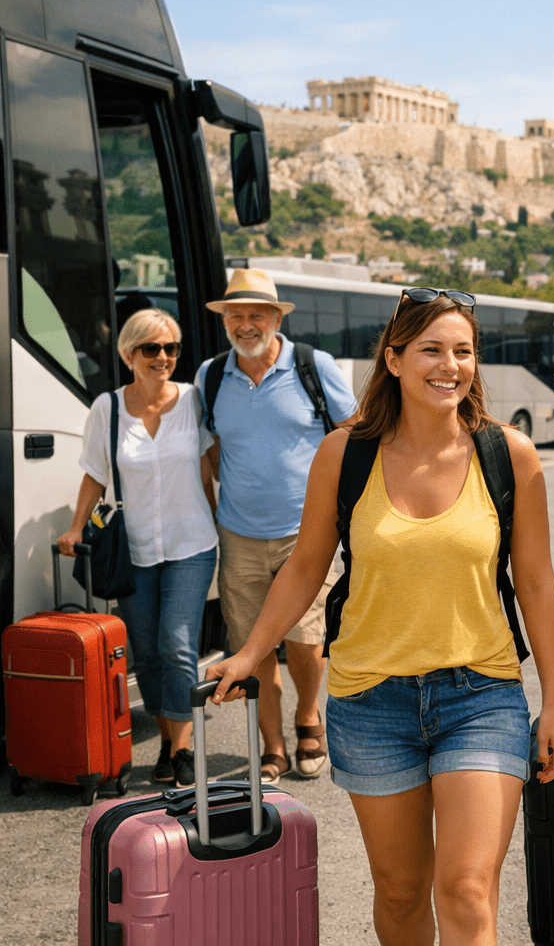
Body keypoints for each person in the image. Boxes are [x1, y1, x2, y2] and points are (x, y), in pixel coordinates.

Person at [208, 287, 554, 945]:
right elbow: (304, 568)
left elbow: (538, 583)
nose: (449, 365)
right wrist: (249, 650)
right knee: (401, 895)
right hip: (371, 701)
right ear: (395, 359)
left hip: (481, 697)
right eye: (431, 349)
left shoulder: (507, 453)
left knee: (465, 890)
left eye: (463, 351)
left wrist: (552, 701)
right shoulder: (345, 454)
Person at [197, 269, 358, 783]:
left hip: (305, 532)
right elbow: (212, 448)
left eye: (256, 315)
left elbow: (355, 431)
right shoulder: (211, 375)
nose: (246, 325)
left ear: (275, 319)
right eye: (236, 315)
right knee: (251, 647)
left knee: (307, 641)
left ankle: (308, 717)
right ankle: (272, 746)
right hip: (239, 535)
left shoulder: (315, 366)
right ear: (225, 321)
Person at [58, 309, 218, 789]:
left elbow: (213, 461)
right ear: (129, 354)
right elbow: (94, 472)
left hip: (193, 541)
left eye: (171, 348)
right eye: (152, 349)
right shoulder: (107, 408)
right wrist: (74, 527)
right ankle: (168, 739)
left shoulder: (193, 401)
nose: (164, 357)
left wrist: (230, 519)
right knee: (145, 652)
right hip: (136, 549)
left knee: (176, 642)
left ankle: (185, 747)